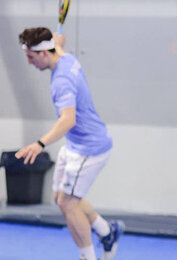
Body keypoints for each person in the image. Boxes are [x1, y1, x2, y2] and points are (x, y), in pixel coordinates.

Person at [17, 27, 124, 260]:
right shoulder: (65, 56)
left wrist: (39, 144)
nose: (29, 62)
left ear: (44, 53)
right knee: (60, 198)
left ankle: (88, 257)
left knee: (68, 203)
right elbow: (58, 42)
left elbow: (68, 120)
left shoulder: (61, 81)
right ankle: (107, 232)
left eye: (30, 56)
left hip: (89, 148)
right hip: (76, 144)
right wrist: (58, 41)